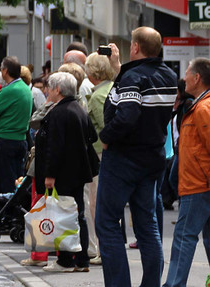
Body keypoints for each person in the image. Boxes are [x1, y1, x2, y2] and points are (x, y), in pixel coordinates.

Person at [95, 28, 178, 287]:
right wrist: (120, 69)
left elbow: (128, 115)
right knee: (147, 227)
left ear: (135, 47)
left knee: (107, 223)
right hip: (152, 159)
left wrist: (105, 136)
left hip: (123, 159)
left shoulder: (133, 78)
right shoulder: (169, 76)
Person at [33, 71, 98, 273]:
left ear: (58, 90)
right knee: (78, 215)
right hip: (79, 171)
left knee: (62, 215)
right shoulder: (79, 108)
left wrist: (49, 175)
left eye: (49, 88)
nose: (46, 91)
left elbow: (55, 147)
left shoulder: (59, 113)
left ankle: (65, 260)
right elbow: (93, 136)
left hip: (62, 173)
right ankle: (81, 260)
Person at [162, 58, 210, 287]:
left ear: (197, 78)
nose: (184, 78)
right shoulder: (200, 105)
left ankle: (173, 285)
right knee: (206, 239)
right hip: (199, 184)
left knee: (183, 238)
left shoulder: (203, 108)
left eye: (187, 73)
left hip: (199, 185)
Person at [0, 56, 32, 194]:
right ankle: (18, 211)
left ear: (5, 71)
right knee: (18, 179)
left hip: (5, 139)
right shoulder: (25, 87)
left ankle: (8, 213)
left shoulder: (8, 90)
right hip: (21, 139)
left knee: (7, 181)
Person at [84, 51, 115, 264]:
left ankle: (98, 249)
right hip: (109, 154)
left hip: (99, 153)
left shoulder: (97, 96)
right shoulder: (112, 88)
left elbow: (104, 129)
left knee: (95, 203)